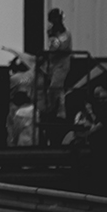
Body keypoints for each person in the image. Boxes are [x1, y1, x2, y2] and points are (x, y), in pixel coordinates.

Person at [39, 9, 73, 144]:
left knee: (55, 87)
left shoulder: (66, 33)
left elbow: (60, 47)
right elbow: (52, 44)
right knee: (51, 88)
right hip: (53, 63)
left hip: (62, 63)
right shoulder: (51, 30)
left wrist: (53, 47)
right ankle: (50, 108)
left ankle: (59, 111)